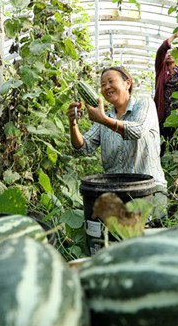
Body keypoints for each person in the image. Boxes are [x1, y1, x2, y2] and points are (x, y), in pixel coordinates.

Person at [67, 66, 167, 220]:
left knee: (149, 237)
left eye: (111, 81)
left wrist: (104, 120)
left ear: (127, 83)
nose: (106, 87)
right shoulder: (104, 118)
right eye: (102, 84)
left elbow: (137, 130)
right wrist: (73, 124)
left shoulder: (144, 104)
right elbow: (83, 148)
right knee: (113, 241)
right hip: (115, 192)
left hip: (148, 190)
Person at [154, 26, 178, 155]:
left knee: (176, 144)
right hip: (163, 113)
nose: (169, 54)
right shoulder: (161, 69)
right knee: (161, 145)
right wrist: (175, 36)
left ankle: (174, 167)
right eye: (168, 53)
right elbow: (161, 50)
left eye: (172, 53)